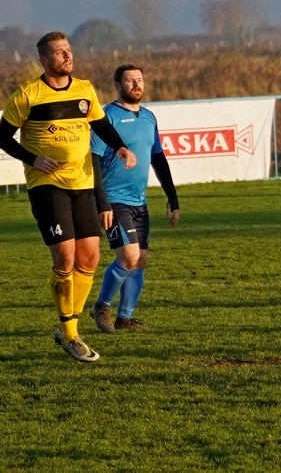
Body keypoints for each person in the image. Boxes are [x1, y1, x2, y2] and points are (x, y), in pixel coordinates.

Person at [0, 32, 136, 362]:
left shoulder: (85, 89)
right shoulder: (27, 95)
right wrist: (32, 159)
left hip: (83, 183)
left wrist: (119, 145)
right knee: (64, 258)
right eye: (59, 53)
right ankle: (72, 335)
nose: (67, 56)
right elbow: (2, 137)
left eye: (69, 50)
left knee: (89, 258)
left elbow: (101, 126)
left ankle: (67, 326)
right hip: (47, 185)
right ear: (44, 61)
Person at [89, 65, 181, 332]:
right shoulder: (105, 117)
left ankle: (125, 318)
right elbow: (93, 159)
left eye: (139, 80)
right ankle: (101, 307)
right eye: (130, 81)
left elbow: (158, 159)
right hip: (114, 199)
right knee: (128, 257)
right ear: (118, 86)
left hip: (139, 201)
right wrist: (101, 202)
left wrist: (172, 198)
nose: (136, 85)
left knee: (140, 260)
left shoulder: (149, 117)